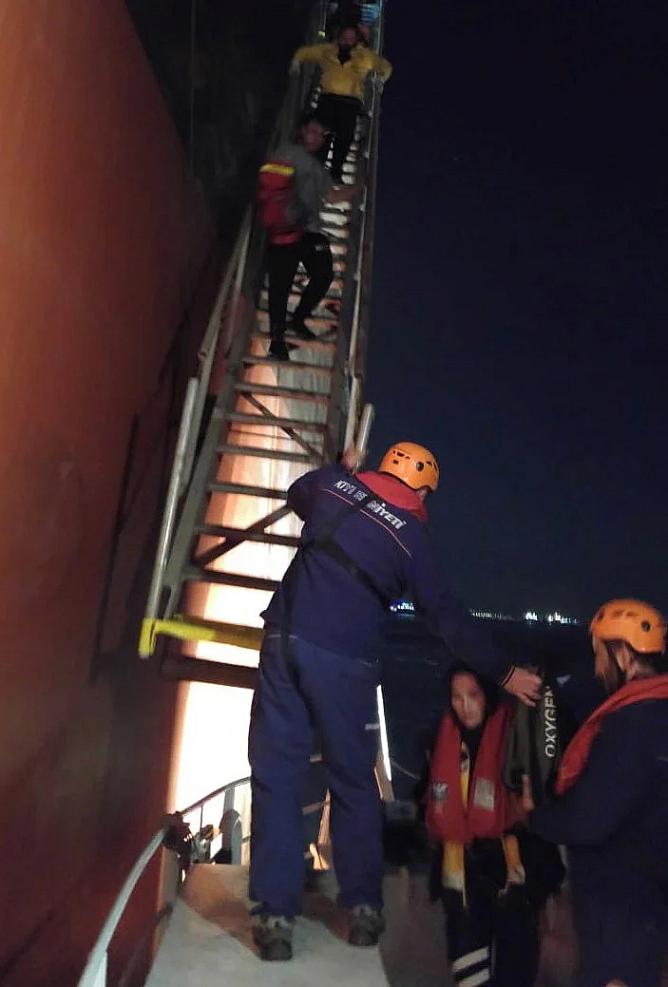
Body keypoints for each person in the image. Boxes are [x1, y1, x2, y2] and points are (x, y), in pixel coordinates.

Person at [248, 441, 542, 961]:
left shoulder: (331, 487)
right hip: (345, 661)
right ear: (424, 492)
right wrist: (505, 672)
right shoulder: (412, 537)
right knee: (353, 781)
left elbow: (297, 494)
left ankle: (275, 917)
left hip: (283, 642)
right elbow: (447, 620)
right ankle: (363, 907)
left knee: (277, 776)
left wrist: (340, 470)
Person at [525, 599, 668, 987]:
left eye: (600, 655)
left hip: (619, 918)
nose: (596, 669)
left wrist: (536, 815)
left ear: (623, 655)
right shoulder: (659, 717)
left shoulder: (629, 728)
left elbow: (588, 821)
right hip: (650, 910)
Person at [427, 665, 564, 987]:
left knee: (516, 970)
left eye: (472, 695)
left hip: (511, 876)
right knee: (469, 974)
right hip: (462, 880)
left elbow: (539, 806)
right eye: (457, 697)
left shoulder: (516, 738)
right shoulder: (439, 739)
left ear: (487, 695)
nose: (465, 705)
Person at [257, 114, 359, 361]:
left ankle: (299, 318)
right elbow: (269, 180)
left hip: (310, 231)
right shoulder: (287, 152)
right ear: (302, 131)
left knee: (324, 274)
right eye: (313, 131)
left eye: (321, 135)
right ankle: (277, 342)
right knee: (281, 285)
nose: (316, 138)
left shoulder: (318, 169)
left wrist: (359, 186)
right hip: (286, 227)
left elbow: (332, 197)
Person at [291, 26, 392, 184]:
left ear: (356, 40)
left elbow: (385, 66)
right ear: (339, 38)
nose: (347, 41)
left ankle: (335, 172)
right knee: (322, 135)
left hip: (350, 103)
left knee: (345, 138)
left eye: (351, 39)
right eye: (344, 38)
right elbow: (305, 52)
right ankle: (315, 170)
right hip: (328, 98)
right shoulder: (327, 50)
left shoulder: (365, 56)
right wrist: (296, 62)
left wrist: (381, 80)